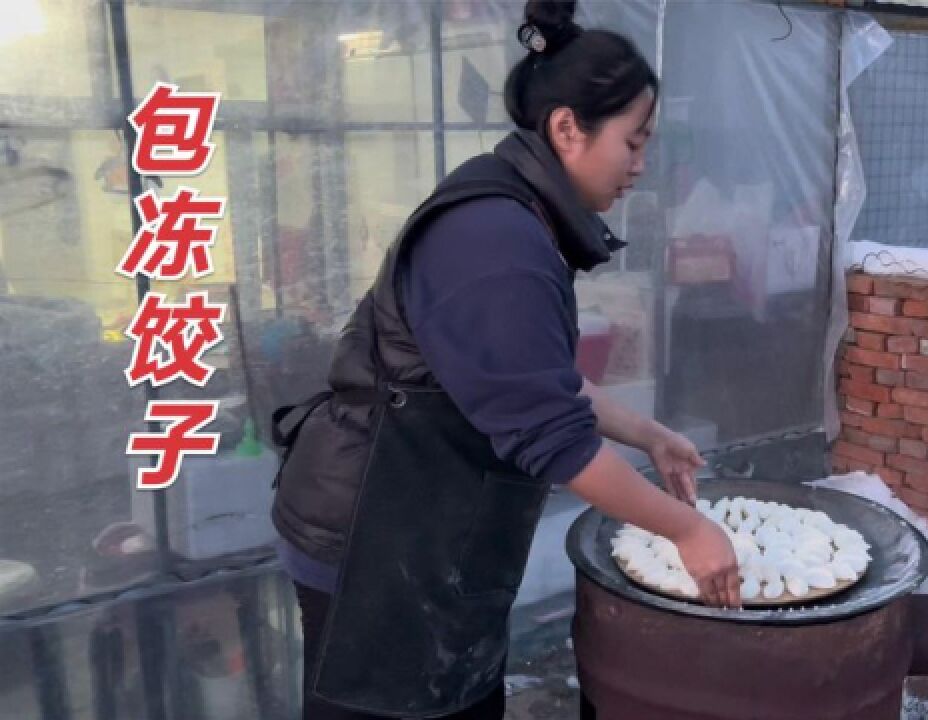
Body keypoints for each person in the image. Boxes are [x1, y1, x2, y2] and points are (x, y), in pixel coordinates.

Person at [269, 2, 740, 718]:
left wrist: (645, 434)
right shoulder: (494, 238)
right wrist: (687, 529)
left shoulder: (520, 213)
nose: (642, 167)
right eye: (633, 143)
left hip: (426, 528)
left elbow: (535, 385)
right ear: (566, 129)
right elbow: (551, 439)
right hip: (372, 539)